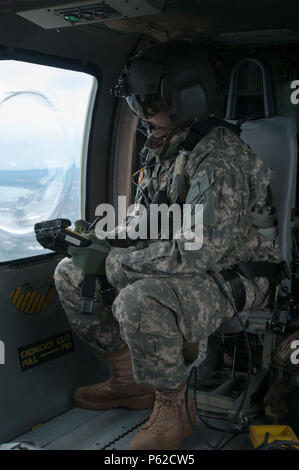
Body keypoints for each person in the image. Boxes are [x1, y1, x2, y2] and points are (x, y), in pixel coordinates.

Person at [54, 40, 282, 450]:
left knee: (140, 299)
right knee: (72, 273)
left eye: (149, 104)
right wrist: (87, 238)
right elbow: (146, 220)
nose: (142, 116)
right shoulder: (167, 147)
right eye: (137, 105)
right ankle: (128, 382)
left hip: (234, 274)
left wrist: (119, 264)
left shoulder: (219, 157)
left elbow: (201, 248)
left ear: (183, 100)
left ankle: (172, 411)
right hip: (187, 265)